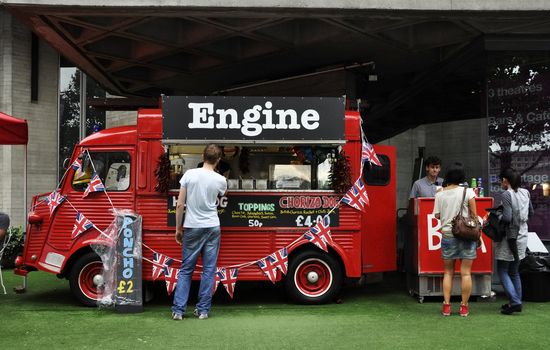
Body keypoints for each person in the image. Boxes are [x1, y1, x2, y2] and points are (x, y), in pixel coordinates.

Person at [171, 144, 228, 320]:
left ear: (202, 156)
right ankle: (203, 311)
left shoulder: (189, 175)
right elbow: (220, 195)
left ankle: (178, 311)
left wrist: (178, 228)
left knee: (186, 270)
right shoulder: (220, 180)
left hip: (192, 227)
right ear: (218, 160)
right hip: (212, 226)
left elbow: (180, 204)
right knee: (208, 271)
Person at [432, 162, 477, 317]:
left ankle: (446, 306)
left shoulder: (439, 193)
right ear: (462, 176)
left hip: (448, 236)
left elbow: (437, 216)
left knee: (448, 272)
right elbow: (474, 217)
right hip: (466, 236)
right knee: (465, 273)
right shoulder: (469, 192)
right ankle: (464, 307)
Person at [496, 168, 534, 315]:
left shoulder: (507, 194)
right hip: (523, 235)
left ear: (506, 180)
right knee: (514, 271)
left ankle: (515, 302)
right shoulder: (526, 192)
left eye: (501, 180)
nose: (500, 183)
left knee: (503, 270)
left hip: (509, 236)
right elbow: (531, 212)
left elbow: (506, 217)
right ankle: (515, 301)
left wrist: (496, 216)